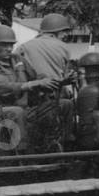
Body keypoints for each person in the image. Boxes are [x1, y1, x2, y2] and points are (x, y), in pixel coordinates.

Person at [0, 24, 55, 152]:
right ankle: (23, 153)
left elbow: (36, 76)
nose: (9, 49)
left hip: (24, 107)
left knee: (62, 104)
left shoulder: (18, 59)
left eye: (11, 45)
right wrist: (30, 85)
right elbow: (2, 88)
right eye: (5, 45)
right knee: (17, 112)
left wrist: (53, 81)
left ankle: (59, 147)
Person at [14, 13, 76, 145]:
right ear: (54, 32)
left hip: (28, 102)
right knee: (69, 104)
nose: (65, 35)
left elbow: (18, 75)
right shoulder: (63, 48)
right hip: (51, 101)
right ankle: (68, 141)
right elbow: (64, 76)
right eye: (64, 32)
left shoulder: (22, 47)